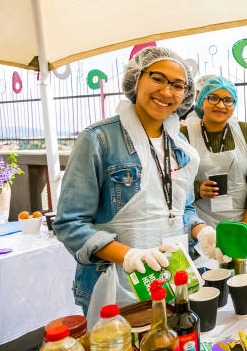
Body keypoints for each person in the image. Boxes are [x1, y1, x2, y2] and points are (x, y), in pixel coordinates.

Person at [53, 47, 217, 323]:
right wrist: (128, 255)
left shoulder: (181, 147)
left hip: (171, 283)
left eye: (178, 85)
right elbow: (69, 223)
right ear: (136, 78)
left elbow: (181, 211)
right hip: (114, 291)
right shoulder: (99, 139)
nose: (167, 92)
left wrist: (201, 231)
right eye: (158, 79)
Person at [181, 75, 247, 239]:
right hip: (204, 222)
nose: (221, 105)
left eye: (228, 100)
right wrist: (197, 190)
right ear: (201, 100)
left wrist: (245, 226)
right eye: (213, 98)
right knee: (212, 260)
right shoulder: (185, 135)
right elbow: (175, 182)